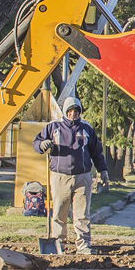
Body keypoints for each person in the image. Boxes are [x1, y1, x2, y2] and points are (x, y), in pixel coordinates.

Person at [33, 96, 106, 252]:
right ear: (65, 111)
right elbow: (36, 142)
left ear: (80, 112)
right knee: (59, 213)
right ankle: (59, 244)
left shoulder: (86, 129)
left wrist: (103, 170)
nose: (73, 114)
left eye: (76, 111)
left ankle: (83, 245)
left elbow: (97, 152)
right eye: (70, 111)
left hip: (83, 177)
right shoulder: (53, 127)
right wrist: (42, 144)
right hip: (60, 176)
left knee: (82, 214)